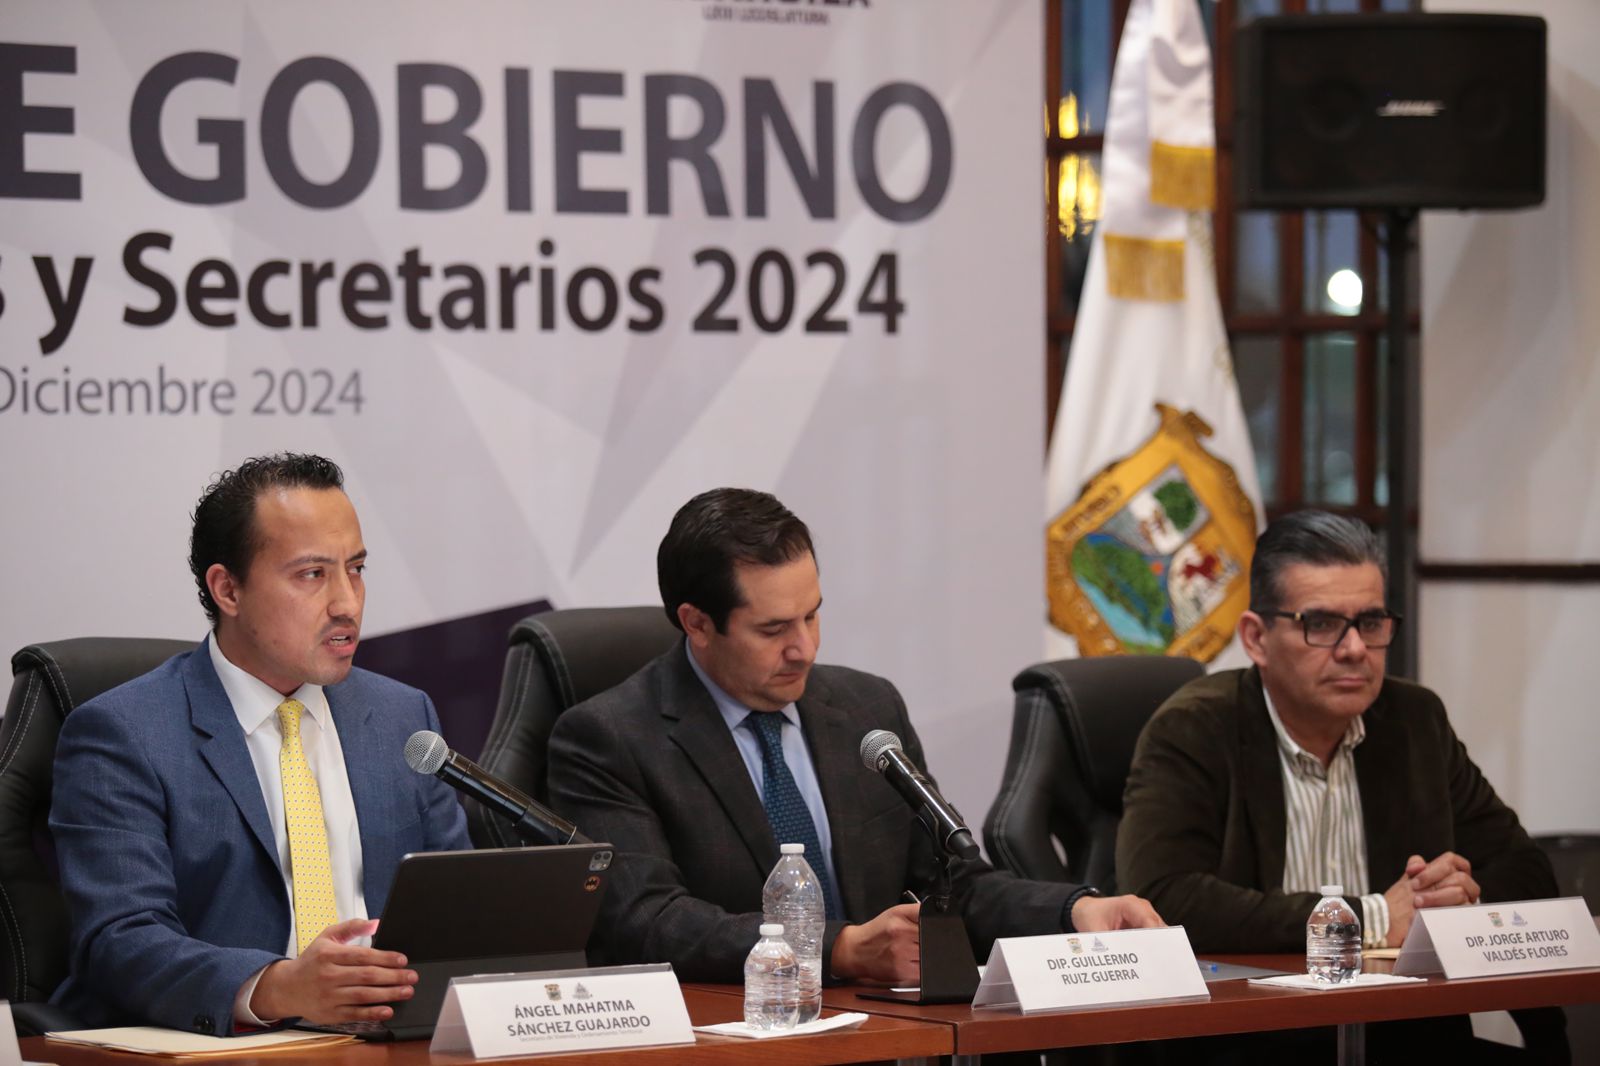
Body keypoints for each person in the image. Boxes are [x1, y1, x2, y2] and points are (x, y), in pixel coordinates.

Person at [547, 487, 1162, 985]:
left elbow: (954, 887)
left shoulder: (867, 709)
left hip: (884, 1033)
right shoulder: (609, 739)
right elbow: (648, 921)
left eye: (813, 615)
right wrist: (838, 950)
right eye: (773, 629)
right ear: (698, 624)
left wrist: (1075, 911)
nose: (805, 648)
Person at [1117, 509, 1564, 1060]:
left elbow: (1525, 868)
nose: (1354, 649)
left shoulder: (1414, 720)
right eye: (1323, 624)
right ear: (1256, 638)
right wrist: (1374, 917)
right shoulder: (1195, 727)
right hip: (1251, 1039)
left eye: (1371, 624)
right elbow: (1164, 896)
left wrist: (1456, 899)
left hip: (1402, 1037)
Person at [50, 454, 470, 1034]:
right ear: (227, 589)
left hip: (386, 1039)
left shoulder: (402, 717)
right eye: (312, 574)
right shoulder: (124, 735)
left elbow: (459, 908)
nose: (347, 603)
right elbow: (119, 940)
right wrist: (278, 987)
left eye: (356, 569)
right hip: (222, 1045)